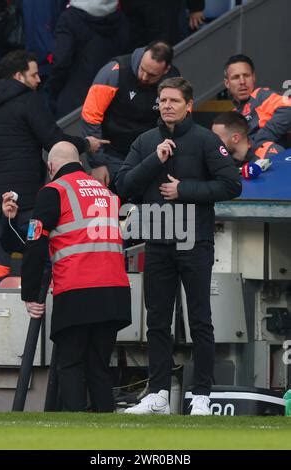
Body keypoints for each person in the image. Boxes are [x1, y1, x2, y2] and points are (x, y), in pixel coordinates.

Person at [116, 77, 241, 415]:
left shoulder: (204, 140)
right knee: (157, 320)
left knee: (200, 319)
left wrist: (185, 190)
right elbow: (123, 185)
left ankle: (202, 394)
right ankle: (157, 394)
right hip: (156, 240)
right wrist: (153, 160)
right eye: (163, 100)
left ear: (189, 105)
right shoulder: (145, 142)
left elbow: (232, 184)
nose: (167, 105)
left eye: (173, 100)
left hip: (195, 241)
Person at [21, 141, 131, 412]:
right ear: (80, 163)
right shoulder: (105, 192)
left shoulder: (54, 190)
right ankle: (105, 429)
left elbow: (35, 244)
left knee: (70, 363)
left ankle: (74, 427)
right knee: (99, 366)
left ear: (50, 167)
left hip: (77, 289)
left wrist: (31, 294)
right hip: (115, 291)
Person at [0, 49, 107, 286]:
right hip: (23, 197)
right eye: (33, 75)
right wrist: (86, 143)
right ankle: (34, 312)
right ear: (18, 76)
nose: (39, 80)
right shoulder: (27, 100)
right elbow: (54, 140)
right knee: (34, 253)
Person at [81, 40, 179, 190]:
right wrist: (97, 163)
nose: (144, 77)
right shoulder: (115, 71)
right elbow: (90, 117)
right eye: (142, 69)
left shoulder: (174, 80)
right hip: (112, 154)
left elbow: (180, 120)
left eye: (152, 75)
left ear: (166, 70)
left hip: (151, 155)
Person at [45, 0, 128, 118]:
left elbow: (61, 59)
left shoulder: (70, 18)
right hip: (109, 95)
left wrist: (52, 89)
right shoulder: (120, 18)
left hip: (73, 98)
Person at [224, 54, 291, 160]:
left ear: (253, 77)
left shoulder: (262, 96)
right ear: (227, 83)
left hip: (274, 163)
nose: (242, 82)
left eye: (246, 75)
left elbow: (289, 106)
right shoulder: (233, 115)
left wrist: (261, 138)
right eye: (236, 77)